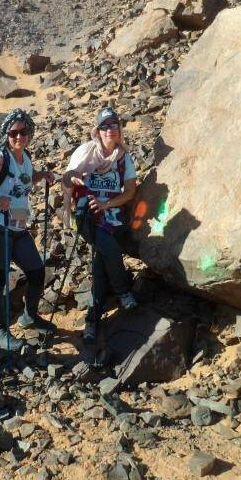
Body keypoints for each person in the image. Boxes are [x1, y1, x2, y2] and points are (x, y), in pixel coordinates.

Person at [0, 109, 56, 350]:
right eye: (13, 133)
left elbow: (25, 179)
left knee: (36, 271)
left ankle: (29, 316)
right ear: (6, 134)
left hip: (17, 222)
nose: (18, 137)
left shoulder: (25, 156)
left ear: (29, 132)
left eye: (23, 132)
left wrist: (42, 175)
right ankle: (0, 332)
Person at [62, 106, 138, 345]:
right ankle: (124, 291)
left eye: (113, 125)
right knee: (112, 251)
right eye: (104, 126)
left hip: (115, 218)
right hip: (89, 218)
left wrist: (108, 205)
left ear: (119, 129)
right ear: (97, 131)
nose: (109, 130)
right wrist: (73, 177)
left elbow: (130, 192)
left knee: (101, 267)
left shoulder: (124, 158)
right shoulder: (86, 152)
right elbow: (66, 177)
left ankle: (92, 323)